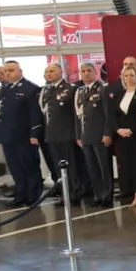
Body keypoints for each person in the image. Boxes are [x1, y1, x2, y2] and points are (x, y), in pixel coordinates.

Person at [0, 60, 44, 206]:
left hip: (24, 135)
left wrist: (34, 134)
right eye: (6, 71)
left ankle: (33, 195)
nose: (8, 73)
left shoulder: (30, 88)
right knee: (15, 166)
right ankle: (21, 193)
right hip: (7, 135)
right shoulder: (5, 89)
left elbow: (35, 114)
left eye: (11, 70)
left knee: (29, 165)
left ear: (20, 71)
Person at [40, 62, 85, 204]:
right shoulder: (46, 90)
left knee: (71, 166)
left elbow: (76, 113)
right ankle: (65, 193)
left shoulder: (71, 89)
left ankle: (75, 192)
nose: (49, 74)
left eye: (52, 71)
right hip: (52, 135)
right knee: (58, 167)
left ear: (61, 72)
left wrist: (77, 134)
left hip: (67, 133)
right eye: (47, 71)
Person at [111, 66, 136, 207]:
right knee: (130, 166)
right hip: (123, 136)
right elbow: (114, 115)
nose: (129, 78)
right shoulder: (119, 94)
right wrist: (118, 130)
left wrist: (132, 130)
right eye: (126, 76)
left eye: (132, 75)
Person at [74, 62, 114, 207]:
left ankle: (107, 195)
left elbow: (109, 114)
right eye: (83, 71)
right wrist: (78, 135)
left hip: (100, 135)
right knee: (92, 168)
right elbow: (78, 116)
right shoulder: (80, 91)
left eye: (89, 70)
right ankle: (98, 195)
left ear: (95, 72)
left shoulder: (102, 89)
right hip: (86, 136)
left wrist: (107, 133)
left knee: (104, 167)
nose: (86, 73)